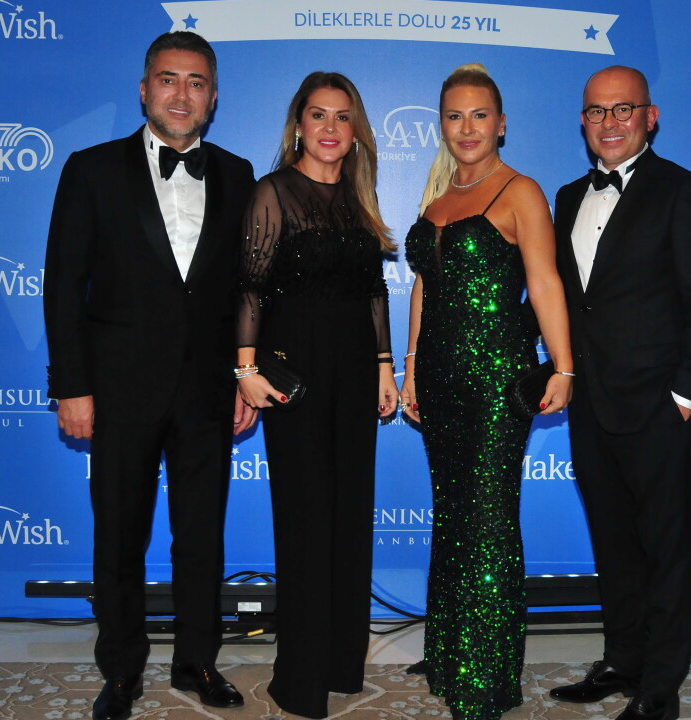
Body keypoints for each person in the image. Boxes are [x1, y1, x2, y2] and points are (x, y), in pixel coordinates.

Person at [43, 31, 256, 720]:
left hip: (207, 392)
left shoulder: (239, 174)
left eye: (196, 82)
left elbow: (247, 290)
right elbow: (63, 285)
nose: (181, 94)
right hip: (117, 389)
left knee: (202, 537)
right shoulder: (91, 169)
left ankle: (197, 662)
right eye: (168, 79)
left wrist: (245, 377)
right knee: (118, 536)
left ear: (213, 97)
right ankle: (121, 671)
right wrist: (71, 385)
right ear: (144, 90)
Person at [547, 66, 691, 720]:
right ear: (582, 121)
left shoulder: (685, 191)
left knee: (665, 549)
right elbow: (569, 302)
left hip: (659, 406)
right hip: (590, 404)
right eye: (597, 112)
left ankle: (659, 689)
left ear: (650, 117)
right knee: (614, 545)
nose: (610, 123)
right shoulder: (567, 197)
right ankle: (622, 660)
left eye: (622, 109)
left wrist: (686, 397)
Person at [399, 63, 573, 720]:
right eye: (454, 116)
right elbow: (423, 287)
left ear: (501, 124)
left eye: (479, 115)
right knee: (453, 515)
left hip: (497, 378)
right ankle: (450, 654)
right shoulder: (439, 198)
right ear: (441, 126)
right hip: (439, 377)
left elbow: (545, 281)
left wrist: (563, 367)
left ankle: (485, 677)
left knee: (488, 520)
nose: (466, 128)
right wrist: (411, 368)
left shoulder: (520, 191)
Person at [235, 71, 399, 719]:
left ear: (355, 131)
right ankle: (301, 679)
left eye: (342, 116)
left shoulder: (359, 198)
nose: (331, 127)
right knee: (305, 520)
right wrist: (244, 368)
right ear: (298, 126)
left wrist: (385, 366)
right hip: (295, 377)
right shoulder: (273, 191)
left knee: (349, 516)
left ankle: (339, 665)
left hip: (356, 374)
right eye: (318, 115)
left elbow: (373, 291)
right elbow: (250, 286)